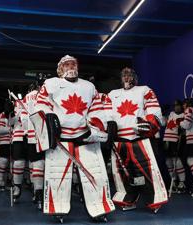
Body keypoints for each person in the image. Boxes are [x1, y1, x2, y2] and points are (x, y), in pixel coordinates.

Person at [33, 55, 115, 222]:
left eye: (73, 63)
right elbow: (40, 104)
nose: (70, 66)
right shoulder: (51, 84)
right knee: (57, 176)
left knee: (96, 174)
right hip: (60, 139)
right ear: (60, 68)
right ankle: (59, 209)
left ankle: (100, 209)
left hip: (85, 138)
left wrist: (97, 129)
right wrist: (49, 118)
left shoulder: (89, 86)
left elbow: (96, 109)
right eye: (66, 64)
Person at [107, 67, 167, 213]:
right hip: (119, 139)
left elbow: (154, 110)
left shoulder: (144, 90)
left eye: (130, 75)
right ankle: (128, 199)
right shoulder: (112, 94)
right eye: (124, 75)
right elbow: (105, 112)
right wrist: (107, 125)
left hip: (140, 138)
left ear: (135, 77)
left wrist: (149, 124)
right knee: (122, 173)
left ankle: (154, 199)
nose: (127, 77)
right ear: (121, 78)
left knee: (147, 170)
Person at [20, 83, 45, 210]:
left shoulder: (27, 97)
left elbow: (23, 117)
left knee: (36, 164)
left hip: (31, 135)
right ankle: (47, 194)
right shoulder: (46, 93)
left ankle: (38, 193)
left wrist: (26, 130)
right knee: (49, 164)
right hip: (45, 134)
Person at [163, 99, 186, 194]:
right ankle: (174, 183)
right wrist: (162, 113)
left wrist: (182, 132)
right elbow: (164, 123)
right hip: (166, 140)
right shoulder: (171, 114)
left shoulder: (184, 115)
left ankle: (182, 183)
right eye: (175, 105)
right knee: (168, 162)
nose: (176, 107)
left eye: (178, 105)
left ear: (181, 106)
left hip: (175, 141)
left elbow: (184, 128)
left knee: (177, 162)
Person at [0, 99, 14, 191]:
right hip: (4, 143)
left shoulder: (14, 115)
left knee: (13, 163)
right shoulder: (2, 115)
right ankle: (0, 182)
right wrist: (11, 129)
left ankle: (10, 180)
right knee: (3, 162)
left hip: (13, 142)